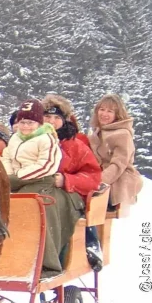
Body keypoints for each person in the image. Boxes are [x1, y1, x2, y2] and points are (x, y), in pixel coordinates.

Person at [2, 99, 66, 278]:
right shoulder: (15, 139)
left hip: (40, 182)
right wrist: (8, 176)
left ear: (39, 123)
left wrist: (19, 176)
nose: (26, 126)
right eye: (22, 122)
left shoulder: (46, 139)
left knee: (30, 213)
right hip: (14, 180)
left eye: (30, 122)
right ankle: (8, 257)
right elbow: (6, 157)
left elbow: (46, 165)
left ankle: (49, 264)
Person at [42, 93, 104, 271]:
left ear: (64, 120)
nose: (51, 122)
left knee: (50, 209)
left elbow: (93, 177)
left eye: (56, 118)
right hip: (40, 191)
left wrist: (67, 180)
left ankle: (54, 260)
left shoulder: (75, 145)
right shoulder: (33, 141)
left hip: (68, 194)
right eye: (47, 117)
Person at [88, 93, 143, 210]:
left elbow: (118, 165)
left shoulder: (122, 134)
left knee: (89, 207)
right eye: (102, 109)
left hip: (118, 182)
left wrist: (98, 182)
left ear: (117, 115)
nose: (104, 114)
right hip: (99, 179)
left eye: (110, 111)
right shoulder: (96, 133)